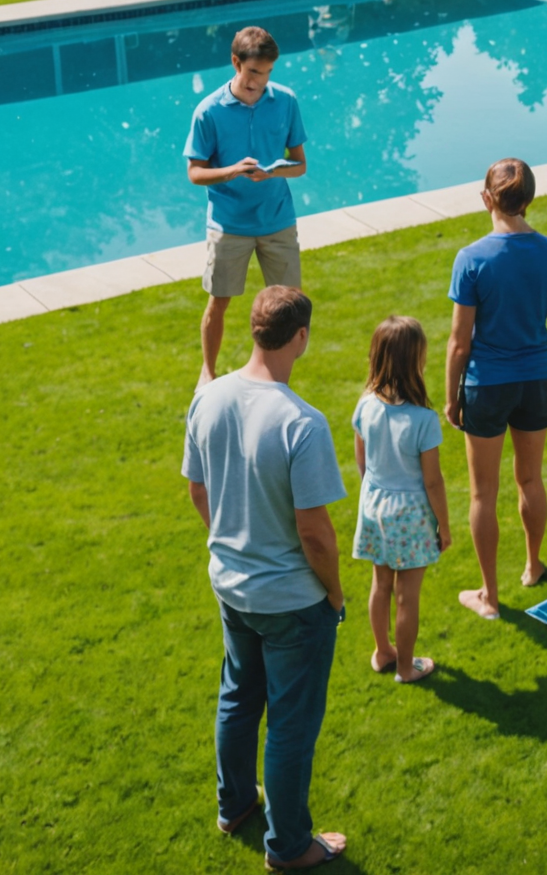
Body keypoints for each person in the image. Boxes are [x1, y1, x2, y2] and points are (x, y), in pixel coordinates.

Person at [183, 285, 350, 870]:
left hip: (231, 586)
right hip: (292, 603)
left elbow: (197, 490)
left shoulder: (208, 398)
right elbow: (316, 535)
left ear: (253, 330)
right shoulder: (302, 423)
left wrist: (231, 537)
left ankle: (233, 807)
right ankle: (288, 847)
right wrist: (333, 592)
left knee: (237, 698)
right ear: (299, 337)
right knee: (290, 727)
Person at [445, 158, 547, 620]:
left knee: (483, 494)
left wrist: (450, 396)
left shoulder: (471, 258)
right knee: (530, 479)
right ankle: (533, 565)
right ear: (530, 200)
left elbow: (460, 343)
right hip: (536, 378)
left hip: (486, 386)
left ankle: (490, 595)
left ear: (486, 199)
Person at [184, 27, 308, 387]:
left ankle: (279, 375)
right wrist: (233, 171)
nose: (260, 81)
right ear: (236, 63)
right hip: (229, 224)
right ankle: (208, 371)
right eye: (254, 72)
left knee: (291, 307)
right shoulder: (208, 111)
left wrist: (272, 174)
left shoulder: (285, 101)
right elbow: (195, 173)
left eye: (267, 72)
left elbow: (300, 165)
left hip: (278, 220)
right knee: (219, 301)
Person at [351, 316, 452, 684]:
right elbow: (433, 481)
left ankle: (383, 652)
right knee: (408, 596)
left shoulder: (365, 406)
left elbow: (362, 463)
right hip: (411, 515)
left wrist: (374, 496)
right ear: (416, 361)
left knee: (381, 585)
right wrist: (443, 524)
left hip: (374, 507)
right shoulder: (424, 420)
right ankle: (407, 668)